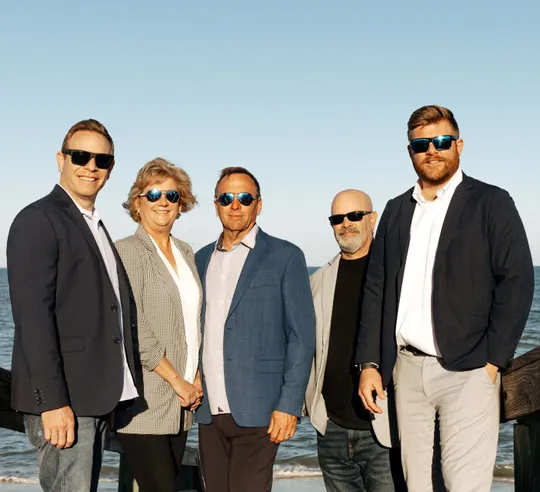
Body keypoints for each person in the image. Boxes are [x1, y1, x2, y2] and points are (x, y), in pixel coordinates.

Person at [357, 105, 535, 492]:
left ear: (459, 145)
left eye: (441, 141)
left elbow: (517, 280)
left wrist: (493, 360)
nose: (432, 150)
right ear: (410, 151)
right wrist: (369, 363)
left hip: (469, 371)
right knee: (417, 485)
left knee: (463, 485)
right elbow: (376, 290)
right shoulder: (396, 210)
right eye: (421, 144)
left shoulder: (491, 202)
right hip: (405, 371)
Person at [7, 119, 139, 492]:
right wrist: (52, 403)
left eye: (101, 160)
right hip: (66, 402)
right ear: (60, 159)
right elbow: (33, 319)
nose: (90, 166)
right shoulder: (38, 219)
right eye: (80, 156)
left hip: (94, 400)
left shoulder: (94, 225)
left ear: (110, 168)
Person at [195, 166, 316, 492]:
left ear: (258, 205)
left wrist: (289, 405)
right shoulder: (201, 259)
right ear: (216, 205)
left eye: (244, 198)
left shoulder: (285, 256)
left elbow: (301, 337)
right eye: (226, 198)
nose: (235, 205)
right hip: (209, 410)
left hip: (261, 408)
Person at [114, 158, 203, 492]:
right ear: (137, 203)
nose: (163, 201)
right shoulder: (125, 251)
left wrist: (195, 377)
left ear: (182, 204)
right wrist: (177, 380)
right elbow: (133, 327)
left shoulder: (186, 252)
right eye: (153, 194)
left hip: (182, 404)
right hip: (145, 402)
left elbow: (194, 323)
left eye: (171, 195)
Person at [306, 189, 401, 492]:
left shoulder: (397, 274)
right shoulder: (318, 280)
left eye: (354, 215)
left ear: (372, 219)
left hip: (384, 427)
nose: (345, 223)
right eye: (337, 219)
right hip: (331, 428)